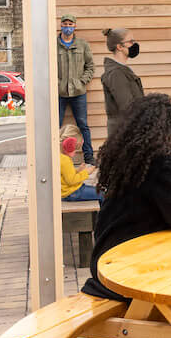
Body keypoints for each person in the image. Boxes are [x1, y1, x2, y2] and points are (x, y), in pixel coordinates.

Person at [82, 94, 171, 338]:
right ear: (166, 130)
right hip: (132, 272)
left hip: (107, 262)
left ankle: (161, 331)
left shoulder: (121, 159)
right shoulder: (161, 164)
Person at [57, 13, 95, 164]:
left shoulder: (82, 45)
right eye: (65, 24)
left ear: (75, 26)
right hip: (59, 92)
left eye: (70, 24)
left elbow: (90, 66)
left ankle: (89, 157)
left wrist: (82, 82)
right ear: (61, 26)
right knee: (56, 126)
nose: (67, 27)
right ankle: (56, 156)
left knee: (83, 125)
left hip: (78, 92)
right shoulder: (54, 44)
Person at [100, 27, 144, 132]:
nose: (134, 44)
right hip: (122, 132)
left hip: (129, 128)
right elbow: (128, 106)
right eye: (131, 41)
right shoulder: (116, 73)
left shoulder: (123, 69)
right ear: (119, 47)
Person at [61, 136, 100, 202]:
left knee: (97, 191)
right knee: (102, 194)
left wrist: (78, 170)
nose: (76, 152)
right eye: (75, 150)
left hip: (71, 190)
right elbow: (71, 181)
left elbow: (67, 174)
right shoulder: (65, 161)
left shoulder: (63, 157)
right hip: (72, 193)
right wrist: (86, 172)